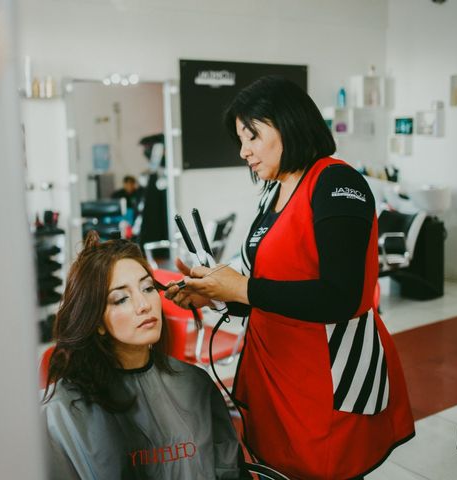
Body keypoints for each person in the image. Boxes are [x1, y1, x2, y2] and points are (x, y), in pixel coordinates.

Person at [167, 75, 415, 479]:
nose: (244, 151)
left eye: (252, 137)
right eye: (240, 141)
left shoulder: (336, 183)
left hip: (326, 377)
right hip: (273, 370)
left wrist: (240, 286)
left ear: (288, 124)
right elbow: (273, 286)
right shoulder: (274, 190)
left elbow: (341, 297)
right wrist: (214, 294)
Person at [41, 232, 240, 479]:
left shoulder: (195, 385)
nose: (143, 304)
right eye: (121, 298)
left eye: (147, 288)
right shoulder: (60, 414)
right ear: (97, 322)